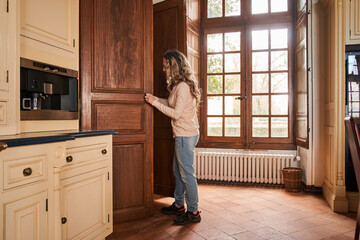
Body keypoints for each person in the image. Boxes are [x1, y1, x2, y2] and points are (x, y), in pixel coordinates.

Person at [144, 49, 201, 225]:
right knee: (179, 171)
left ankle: (194, 211)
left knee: (187, 174)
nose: (163, 69)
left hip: (185, 135)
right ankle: (178, 205)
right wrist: (156, 99)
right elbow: (171, 103)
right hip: (184, 134)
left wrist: (154, 104)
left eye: (165, 66)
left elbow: (175, 114)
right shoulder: (178, 85)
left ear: (173, 66)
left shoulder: (183, 86)